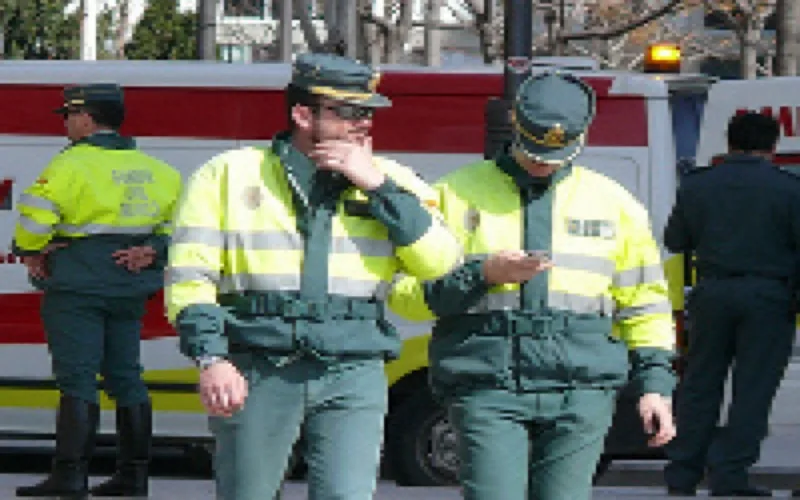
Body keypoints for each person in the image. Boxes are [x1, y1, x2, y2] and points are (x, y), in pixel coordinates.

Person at [165, 52, 462, 500]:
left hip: (353, 366)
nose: (362, 124)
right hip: (259, 365)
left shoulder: (392, 181)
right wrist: (212, 358)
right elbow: (190, 277)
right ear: (302, 114)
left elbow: (441, 263)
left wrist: (380, 189)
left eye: (368, 113)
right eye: (347, 113)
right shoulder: (226, 174)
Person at [387, 71, 677, 500]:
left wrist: (655, 385)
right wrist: (481, 276)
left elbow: (645, 305)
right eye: (535, 147)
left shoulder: (614, 204)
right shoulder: (454, 194)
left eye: (556, 152)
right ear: (516, 126)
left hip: (581, 390)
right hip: (487, 384)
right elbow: (404, 295)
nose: (543, 161)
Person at [12, 84, 182, 498]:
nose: (65, 124)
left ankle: (69, 478)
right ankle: (134, 475)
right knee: (127, 377)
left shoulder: (70, 166)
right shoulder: (159, 170)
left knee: (77, 379)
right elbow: (183, 228)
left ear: (86, 119)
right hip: (128, 289)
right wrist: (155, 251)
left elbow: (35, 218)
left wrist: (30, 250)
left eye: (68, 116)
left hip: (78, 286)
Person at [663, 112, 800, 497]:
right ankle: (730, 474)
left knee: (700, 386)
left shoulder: (697, 185)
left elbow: (675, 240)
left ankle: (682, 474)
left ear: (729, 142)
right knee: (752, 390)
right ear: (773, 146)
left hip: (711, 293)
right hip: (769, 297)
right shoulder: (789, 190)